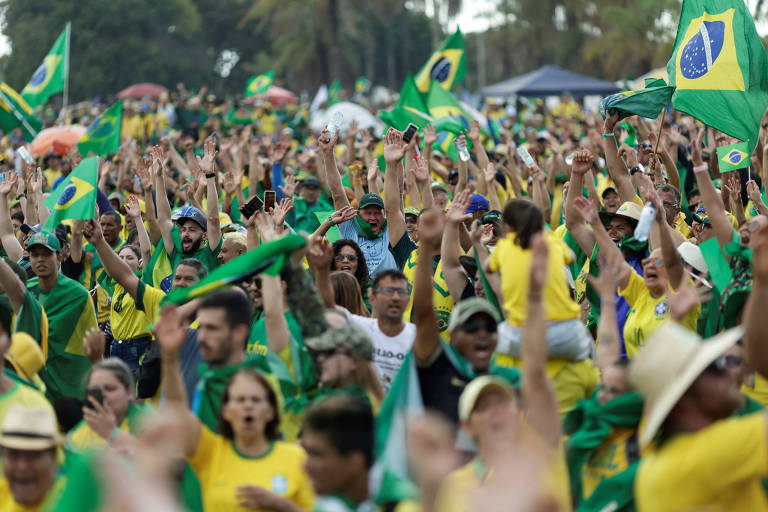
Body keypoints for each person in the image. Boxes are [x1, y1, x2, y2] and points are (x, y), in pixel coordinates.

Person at [434, 235, 571, 512]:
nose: (496, 411)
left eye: (503, 401)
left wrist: (533, 293)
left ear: (520, 409)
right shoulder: (452, 485)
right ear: (467, 426)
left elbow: (534, 370)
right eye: (482, 407)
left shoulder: (542, 457)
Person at [157, 306, 315, 512]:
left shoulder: (297, 458)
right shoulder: (211, 452)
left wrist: (281, 506)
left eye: (256, 400)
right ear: (226, 411)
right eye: (239, 400)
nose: (248, 405)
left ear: (271, 410)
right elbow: (178, 409)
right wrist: (169, 357)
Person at [629, 322, 754, 511]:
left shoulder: (650, 470)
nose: (727, 372)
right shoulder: (717, 448)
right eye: (714, 366)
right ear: (684, 397)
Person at [319, 127, 416, 277]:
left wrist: (395, 162)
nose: (373, 217)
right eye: (368, 212)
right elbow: (337, 193)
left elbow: (397, 194)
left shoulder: (391, 230)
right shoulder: (349, 227)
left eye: (377, 212)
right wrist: (327, 154)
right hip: (356, 293)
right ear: (358, 213)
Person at [26, 232, 98, 400]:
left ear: (59, 256)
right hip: (36, 380)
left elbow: (93, 340)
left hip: (70, 380)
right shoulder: (26, 291)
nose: (40, 259)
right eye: (35, 255)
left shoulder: (78, 294)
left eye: (46, 254)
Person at [301, 393, 377, 511]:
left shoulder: (407, 506)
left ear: (354, 462)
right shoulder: (327, 504)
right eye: (307, 453)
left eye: (316, 454)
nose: (305, 466)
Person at [67, 358, 152, 452]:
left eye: (110, 388)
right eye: (95, 391)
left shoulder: (149, 422)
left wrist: (112, 433)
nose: (102, 395)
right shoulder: (78, 434)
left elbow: (158, 459)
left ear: (130, 392)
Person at [304, 324, 384, 411]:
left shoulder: (362, 407)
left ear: (354, 361)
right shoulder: (327, 396)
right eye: (320, 353)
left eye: (329, 352)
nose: (320, 359)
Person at [0, 406, 63, 511]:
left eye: (34, 455)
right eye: (13, 455)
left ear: (54, 458)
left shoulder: (75, 503)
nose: (22, 466)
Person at [331, 239, 370, 303]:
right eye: (339, 257)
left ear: (358, 263)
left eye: (351, 258)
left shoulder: (367, 288)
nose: (345, 261)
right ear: (332, 262)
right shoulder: (324, 285)